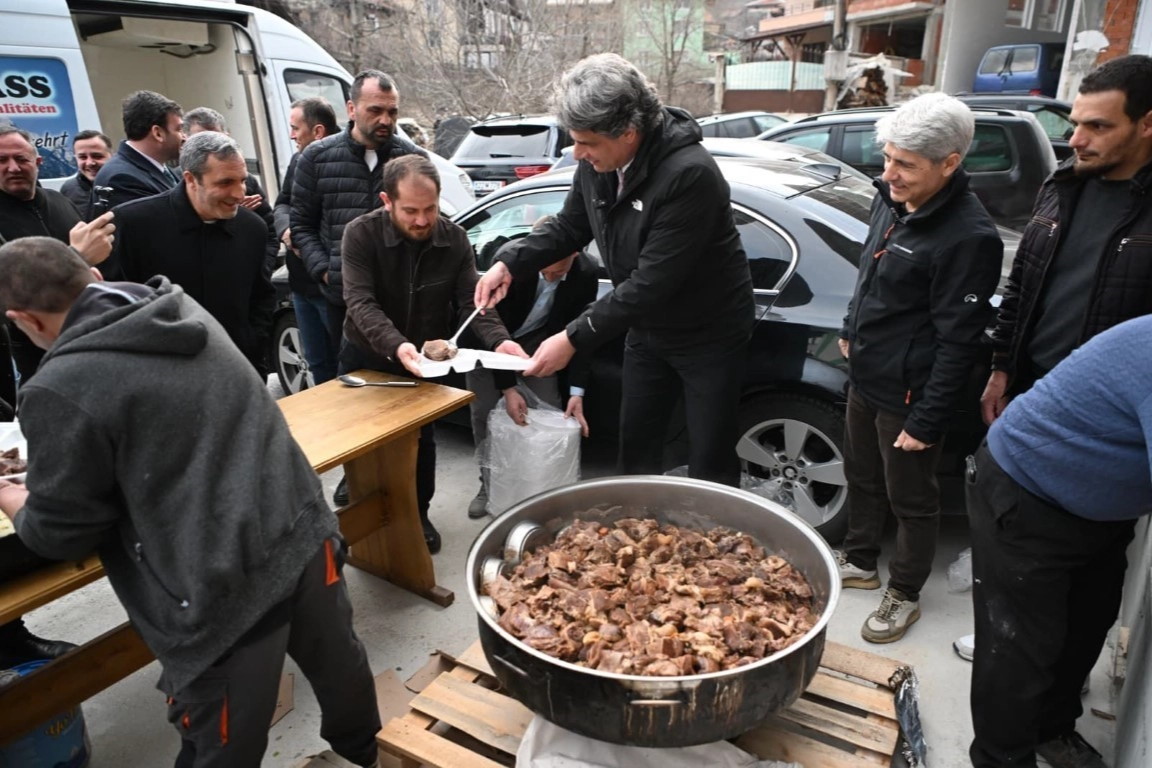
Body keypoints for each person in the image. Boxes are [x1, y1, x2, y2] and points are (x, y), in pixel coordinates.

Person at [0, 237, 381, 767]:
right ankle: (369, 755)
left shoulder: (59, 386)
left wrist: (9, 493)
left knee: (221, 743)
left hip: (220, 590)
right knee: (341, 666)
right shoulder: (176, 306)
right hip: (303, 529)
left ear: (23, 319)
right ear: (93, 274)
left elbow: (61, 533)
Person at [953, 55, 1152, 668]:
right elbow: (1024, 286)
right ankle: (1007, 633)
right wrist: (1002, 368)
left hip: (1106, 418)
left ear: (1147, 125)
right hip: (1036, 387)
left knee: (1090, 555)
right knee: (1013, 535)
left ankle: (1058, 671)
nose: (1077, 139)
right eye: (1076, 123)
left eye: (1098, 126)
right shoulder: (1063, 184)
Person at [474, 54, 754, 487]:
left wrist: (572, 337)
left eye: (586, 143)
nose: (577, 154)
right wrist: (508, 262)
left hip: (708, 333)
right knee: (636, 440)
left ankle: (715, 524)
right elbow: (570, 226)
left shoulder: (690, 175)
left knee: (709, 454)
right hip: (646, 329)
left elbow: (652, 282)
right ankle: (637, 522)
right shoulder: (597, 164)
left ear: (628, 133)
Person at [835, 93, 1002, 644]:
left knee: (911, 499)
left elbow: (959, 341)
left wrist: (927, 420)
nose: (889, 174)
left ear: (949, 162)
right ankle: (860, 560)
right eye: (888, 158)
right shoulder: (891, 198)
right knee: (861, 476)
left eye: (905, 164)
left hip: (909, 394)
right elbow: (868, 270)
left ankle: (904, 593)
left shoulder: (969, 237)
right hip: (866, 373)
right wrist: (849, 325)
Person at [966, 315, 1152, 768]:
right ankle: (1001, 758)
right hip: (1026, 491)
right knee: (1019, 649)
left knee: (1086, 627)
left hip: (1101, 509)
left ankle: (1051, 730)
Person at [340, 154, 524, 553]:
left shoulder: (453, 239)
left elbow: (473, 302)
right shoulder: (361, 235)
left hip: (424, 363)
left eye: (431, 209)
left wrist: (499, 342)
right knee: (361, 438)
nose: (423, 220)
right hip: (367, 352)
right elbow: (360, 302)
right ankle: (357, 497)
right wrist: (396, 344)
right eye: (410, 211)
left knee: (421, 442)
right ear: (387, 201)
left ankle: (418, 513)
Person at [291, 69, 426, 506]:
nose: (385, 120)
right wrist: (325, 271)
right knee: (353, 396)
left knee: (407, 402)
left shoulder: (409, 158)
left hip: (399, 303)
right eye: (376, 110)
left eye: (392, 112)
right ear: (351, 109)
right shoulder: (317, 158)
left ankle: (409, 494)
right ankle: (355, 476)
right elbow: (301, 224)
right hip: (340, 302)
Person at [464, 215, 599, 518]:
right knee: (485, 413)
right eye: (544, 271)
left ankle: (540, 489)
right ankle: (488, 486)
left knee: (549, 411)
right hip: (490, 343)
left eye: (558, 271)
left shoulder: (586, 272)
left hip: (538, 342)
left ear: (574, 252)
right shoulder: (512, 264)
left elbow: (580, 335)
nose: (550, 277)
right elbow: (491, 325)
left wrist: (577, 392)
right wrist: (508, 388)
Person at [111, 131, 275, 375]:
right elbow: (116, 304)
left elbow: (261, 297)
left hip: (238, 370)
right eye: (225, 183)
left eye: (242, 180)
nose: (239, 194)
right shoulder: (133, 224)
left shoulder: (252, 228)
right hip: (162, 375)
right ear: (191, 179)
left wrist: (251, 345)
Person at [0, 124, 116, 380]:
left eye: (21, 158)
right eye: (2, 160)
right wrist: (77, 258)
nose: (13, 167)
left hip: (91, 341)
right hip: (38, 361)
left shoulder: (59, 201)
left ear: (38, 162)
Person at [274, 97, 340, 385]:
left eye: (295, 128)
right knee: (317, 363)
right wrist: (288, 230)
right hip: (302, 284)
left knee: (346, 363)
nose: (291, 135)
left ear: (318, 131)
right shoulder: (298, 160)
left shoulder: (345, 162)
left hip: (331, 285)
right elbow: (282, 204)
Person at [182, 107, 280, 275]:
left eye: (217, 139)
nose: (238, 194)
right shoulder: (172, 189)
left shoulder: (248, 185)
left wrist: (260, 272)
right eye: (225, 183)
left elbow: (270, 234)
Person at [90, 90, 184, 217]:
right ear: (158, 133)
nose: (184, 137)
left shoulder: (159, 169)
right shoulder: (122, 179)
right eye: (179, 129)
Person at [59, 130, 112, 217]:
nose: (90, 163)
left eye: (97, 156)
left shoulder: (125, 185)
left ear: (111, 155)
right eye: (83, 157)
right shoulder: (68, 189)